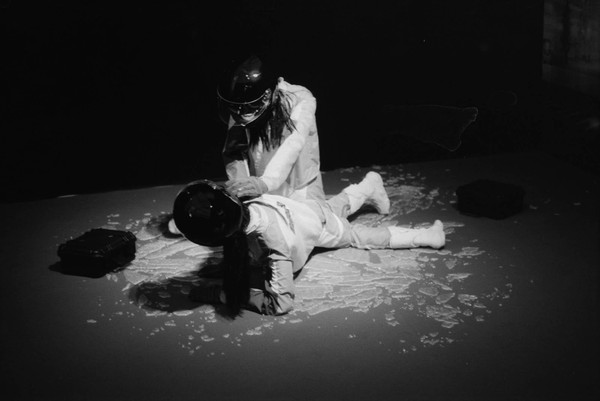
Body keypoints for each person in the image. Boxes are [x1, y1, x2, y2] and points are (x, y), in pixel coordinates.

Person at [171, 171, 446, 316]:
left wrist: (220, 294)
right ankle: (369, 185)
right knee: (336, 205)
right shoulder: (241, 197)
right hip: (306, 209)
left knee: (355, 235)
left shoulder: (273, 245)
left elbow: (280, 303)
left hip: (319, 225)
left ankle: (425, 236)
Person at [217, 53, 324, 202]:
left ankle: (359, 191)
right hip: (261, 188)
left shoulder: (300, 99)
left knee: (316, 217)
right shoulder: (241, 108)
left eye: (247, 108)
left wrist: (265, 183)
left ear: (267, 96)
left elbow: (293, 144)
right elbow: (233, 152)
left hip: (299, 187)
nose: (241, 114)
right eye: (237, 108)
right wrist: (241, 186)